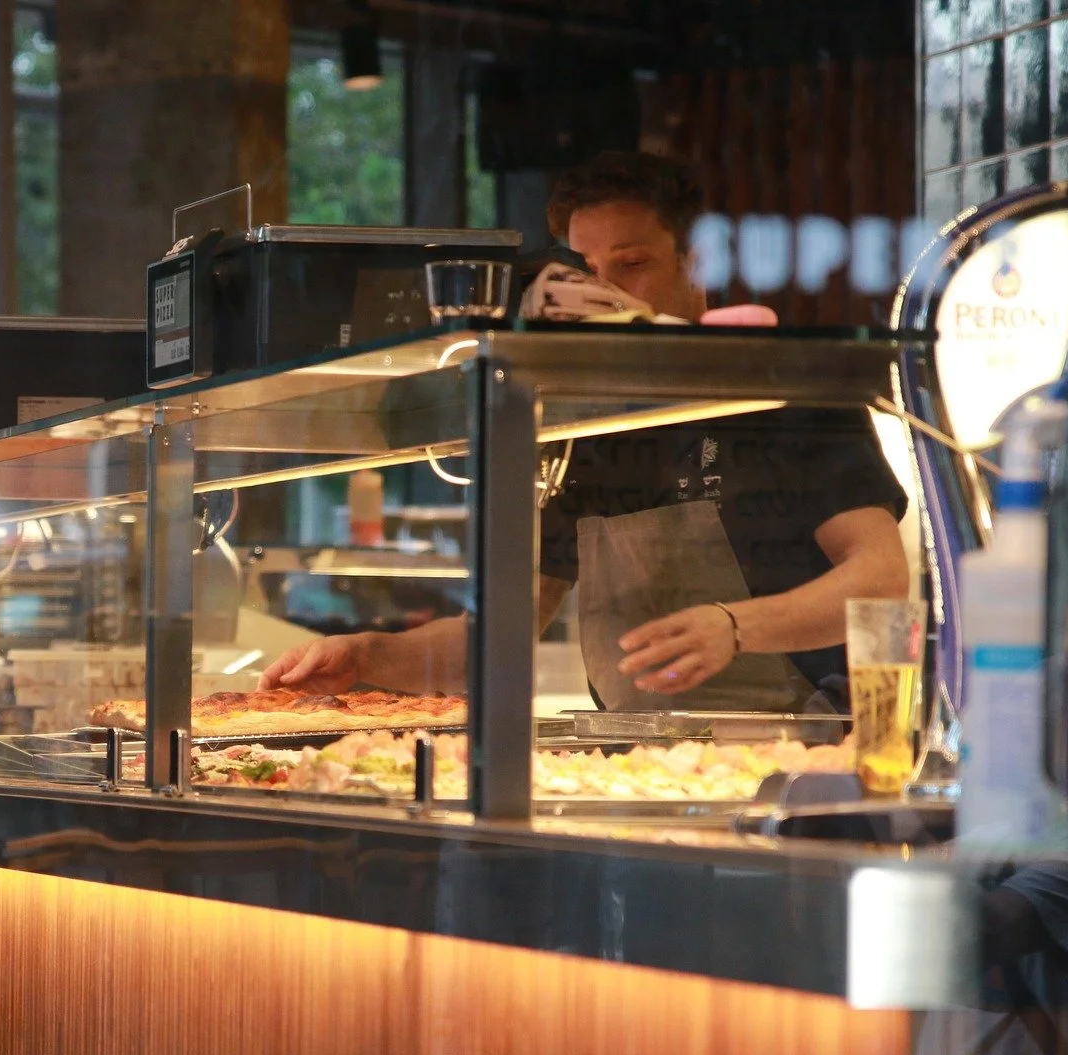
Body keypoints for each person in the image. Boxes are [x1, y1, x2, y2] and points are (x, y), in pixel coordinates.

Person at [259, 151, 912, 712]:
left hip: (803, 757)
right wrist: (366, 653)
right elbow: (498, 636)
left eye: (630, 266)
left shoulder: (787, 388)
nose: (599, 295)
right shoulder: (585, 430)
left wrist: (735, 627)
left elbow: (881, 578)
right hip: (641, 768)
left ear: (698, 263)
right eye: (581, 272)